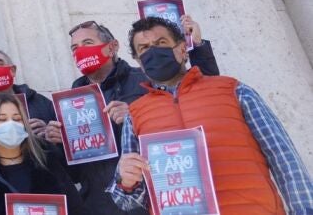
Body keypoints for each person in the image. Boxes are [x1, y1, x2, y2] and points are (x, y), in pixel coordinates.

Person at [110, 16, 313, 214]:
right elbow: (127, 201)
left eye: (161, 43)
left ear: (182, 49)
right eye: (144, 48)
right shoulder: (134, 115)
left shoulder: (234, 91)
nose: (153, 51)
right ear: (138, 62)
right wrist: (124, 180)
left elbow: (284, 159)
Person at [43, 17, 219, 215]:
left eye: (88, 43)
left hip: (148, 202)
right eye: (75, 48)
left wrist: (136, 115)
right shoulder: (68, 102)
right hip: (99, 206)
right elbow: (74, 174)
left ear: (112, 47)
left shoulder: (147, 79)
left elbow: (201, 98)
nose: (80, 51)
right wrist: (59, 144)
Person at [0, 94, 88, 215]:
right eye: (1, 119)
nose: (11, 124)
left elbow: (75, 207)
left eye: (17, 119)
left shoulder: (47, 159)